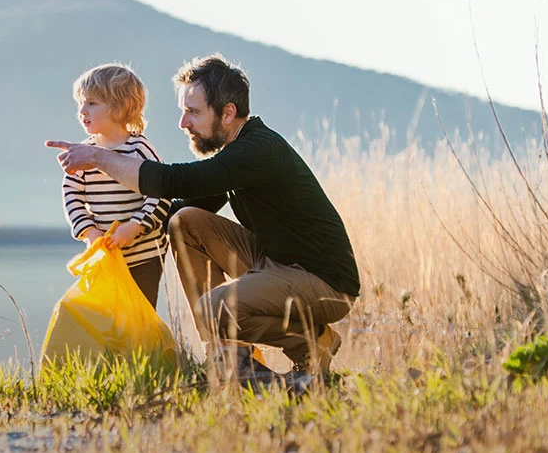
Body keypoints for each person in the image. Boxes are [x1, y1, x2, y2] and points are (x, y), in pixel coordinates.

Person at [47, 54, 359, 380]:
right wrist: (133, 223)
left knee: (214, 308)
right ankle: (225, 359)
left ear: (228, 113)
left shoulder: (255, 151)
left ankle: (300, 350)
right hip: (278, 265)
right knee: (185, 221)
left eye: (193, 112)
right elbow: (183, 203)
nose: (183, 123)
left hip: (323, 284)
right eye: (184, 112)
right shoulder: (236, 154)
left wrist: (98, 157)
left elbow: (176, 180)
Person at [59, 63, 171, 307]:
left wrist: (134, 227)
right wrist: (89, 233)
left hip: (144, 255)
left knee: (139, 315)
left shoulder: (140, 149)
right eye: (81, 103)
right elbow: (72, 195)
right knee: (107, 318)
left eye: (92, 103)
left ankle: (145, 347)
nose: (82, 111)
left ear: (119, 108)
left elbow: (160, 195)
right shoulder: (84, 153)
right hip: (105, 253)